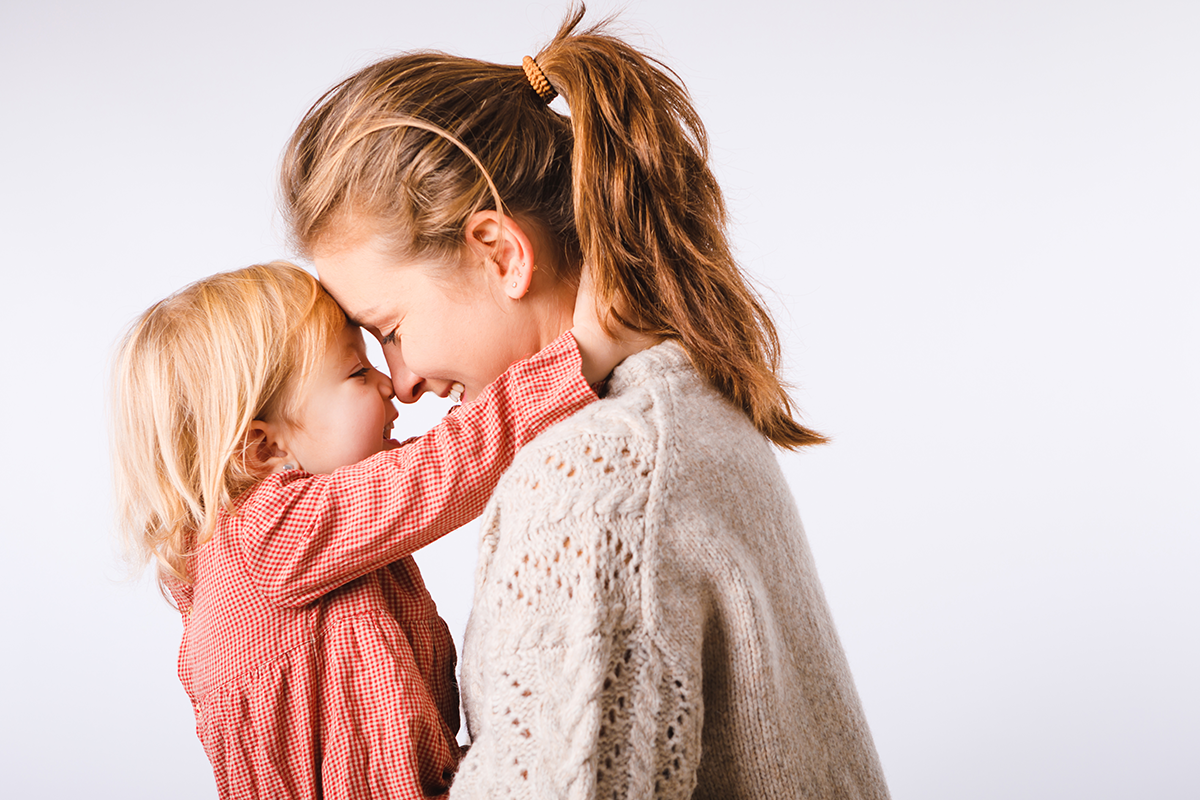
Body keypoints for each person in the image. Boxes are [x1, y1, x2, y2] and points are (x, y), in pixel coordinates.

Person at [280, 6, 890, 798]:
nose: (399, 384)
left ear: (500, 253)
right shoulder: (684, 399)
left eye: (389, 330)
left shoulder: (591, 476)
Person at [111, 261, 639, 799]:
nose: (391, 383)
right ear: (265, 448)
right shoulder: (270, 537)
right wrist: (583, 353)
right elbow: (447, 466)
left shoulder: (277, 547)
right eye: (357, 373)